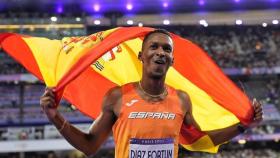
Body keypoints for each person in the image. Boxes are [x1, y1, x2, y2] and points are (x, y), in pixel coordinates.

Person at [40, 29, 263, 158]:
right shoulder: (117, 97)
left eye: (166, 49)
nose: (160, 52)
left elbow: (201, 140)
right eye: (154, 47)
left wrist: (243, 126)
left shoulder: (182, 99)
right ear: (141, 55)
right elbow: (89, 145)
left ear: (172, 60)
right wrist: (55, 116)